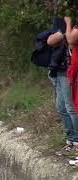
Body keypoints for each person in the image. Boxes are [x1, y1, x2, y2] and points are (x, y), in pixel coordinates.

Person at [47, 17, 78, 154]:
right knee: (61, 107)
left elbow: (71, 41)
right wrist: (64, 30)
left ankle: (76, 139)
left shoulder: (72, 28)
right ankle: (70, 138)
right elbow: (50, 41)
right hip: (58, 70)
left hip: (69, 70)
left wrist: (68, 24)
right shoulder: (63, 28)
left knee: (70, 107)